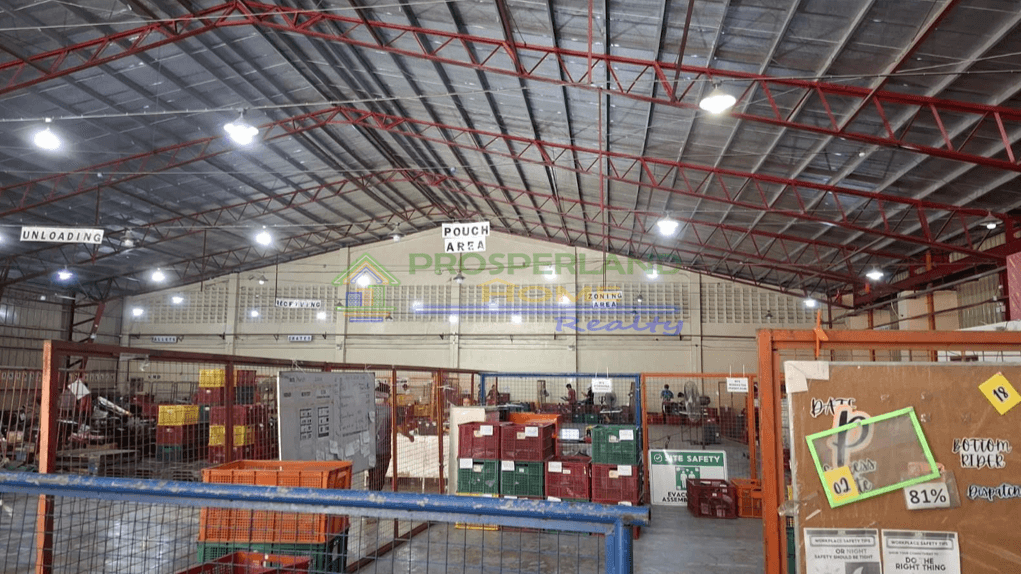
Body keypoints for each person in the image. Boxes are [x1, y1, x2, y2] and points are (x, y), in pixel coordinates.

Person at [368, 384, 392, 491]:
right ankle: (374, 502)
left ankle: (370, 500)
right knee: (379, 481)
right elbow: (399, 427)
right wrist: (409, 435)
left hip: (370, 450)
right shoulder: (389, 410)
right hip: (383, 451)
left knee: (372, 478)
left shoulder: (369, 408)